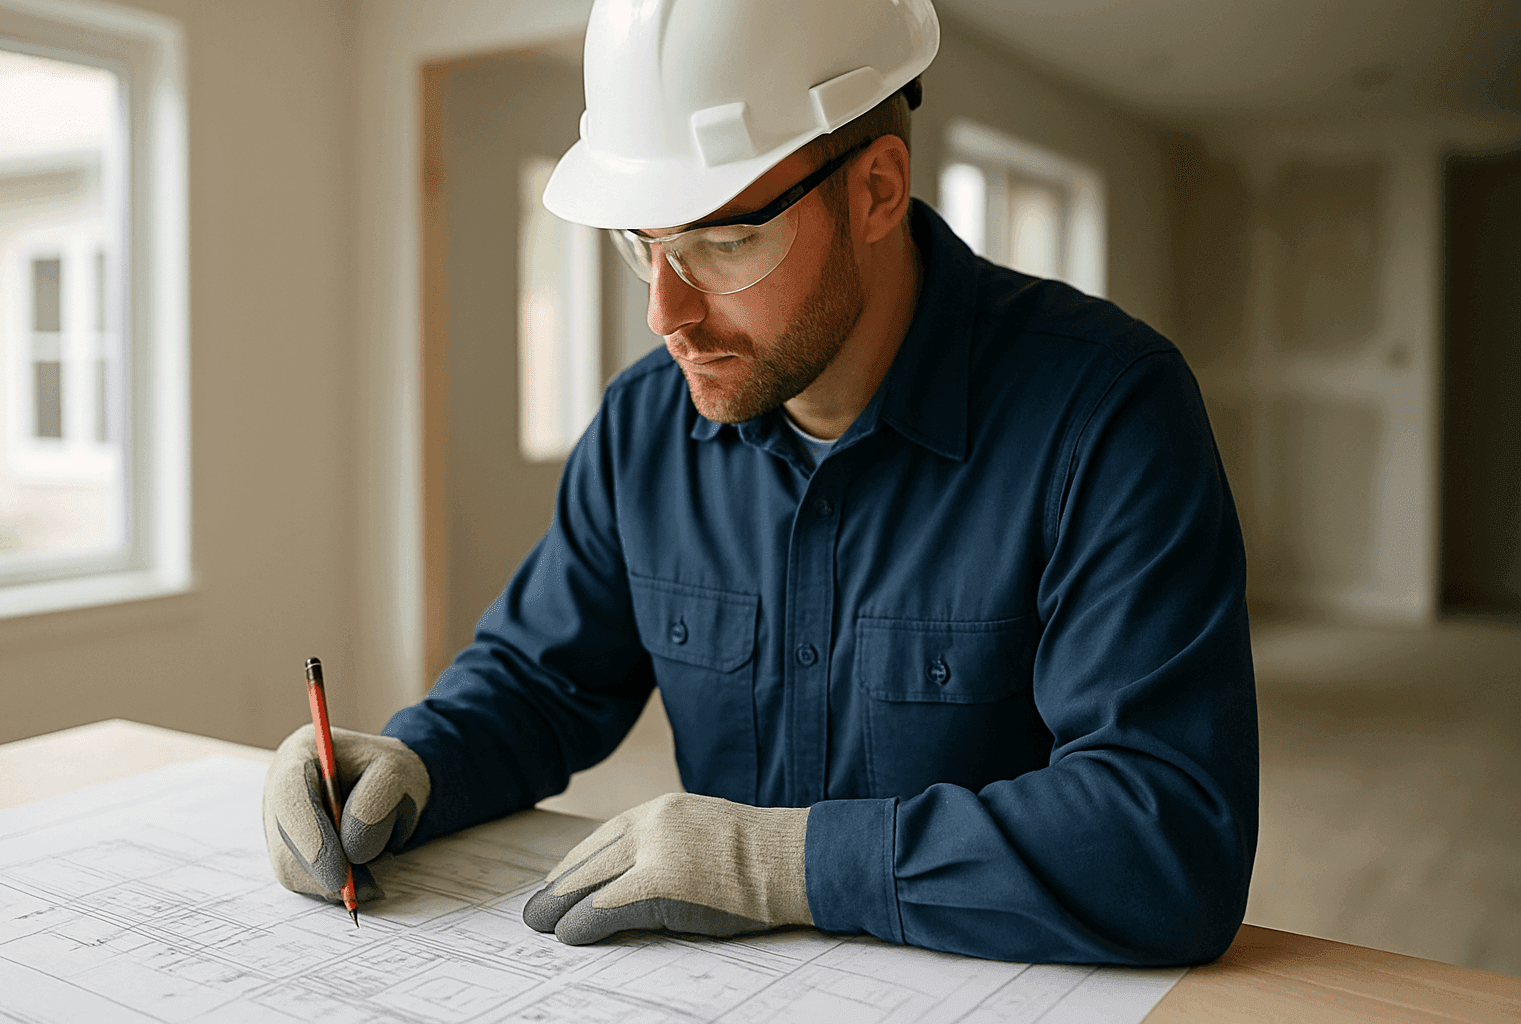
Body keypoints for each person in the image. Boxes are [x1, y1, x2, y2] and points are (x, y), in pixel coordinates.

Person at [263, 0, 1258, 964]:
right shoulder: (645, 425)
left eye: (722, 242)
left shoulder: (1108, 413)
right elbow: (540, 677)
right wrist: (417, 761)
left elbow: (1168, 838)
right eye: (643, 244)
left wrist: (782, 861)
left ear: (875, 190)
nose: (666, 311)